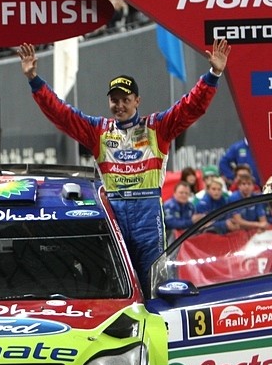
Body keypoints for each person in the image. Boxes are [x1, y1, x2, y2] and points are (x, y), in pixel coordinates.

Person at [17, 38, 230, 282]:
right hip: (114, 212)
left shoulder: (157, 127)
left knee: (153, 281)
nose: (119, 105)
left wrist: (213, 75)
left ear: (137, 101)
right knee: (115, 282)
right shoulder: (98, 131)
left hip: (148, 213)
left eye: (125, 100)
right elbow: (62, 114)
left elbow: (190, 107)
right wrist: (34, 79)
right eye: (114, 100)